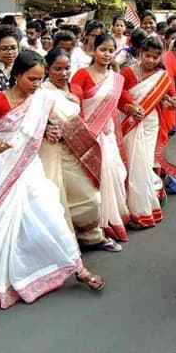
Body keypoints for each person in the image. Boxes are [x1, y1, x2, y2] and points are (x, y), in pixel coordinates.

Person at [0, 51, 105, 310]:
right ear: (17, 75)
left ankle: (79, 269)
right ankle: (4, 271)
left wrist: (49, 131)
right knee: (8, 224)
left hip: (29, 167)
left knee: (51, 215)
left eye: (40, 79)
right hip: (0, 168)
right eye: (32, 79)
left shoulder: (42, 99)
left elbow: (48, 124)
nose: (36, 84)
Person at [39, 48, 122, 252]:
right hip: (51, 152)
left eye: (67, 68)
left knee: (90, 197)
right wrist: (46, 130)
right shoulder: (41, 92)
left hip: (75, 151)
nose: (63, 73)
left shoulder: (75, 89)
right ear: (47, 69)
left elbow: (81, 119)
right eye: (57, 69)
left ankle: (91, 236)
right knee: (56, 198)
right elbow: (32, 122)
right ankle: (65, 244)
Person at [71, 34, 144, 242]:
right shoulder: (81, 75)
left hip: (107, 134)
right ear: (94, 50)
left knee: (114, 173)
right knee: (92, 177)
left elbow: (120, 101)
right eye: (103, 49)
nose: (107, 54)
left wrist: (132, 108)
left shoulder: (116, 78)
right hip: (88, 134)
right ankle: (94, 224)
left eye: (111, 51)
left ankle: (112, 219)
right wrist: (84, 131)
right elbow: (74, 102)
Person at [121, 38, 176, 227]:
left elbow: (172, 95)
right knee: (129, 164)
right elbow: (120, 94)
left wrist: (174, 101)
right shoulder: (128, 71)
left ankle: (143, 211)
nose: (151, 60)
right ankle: (140, 200)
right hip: (129, 119)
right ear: (141, 53)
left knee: (142, 163)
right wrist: (131, 106)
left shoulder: (162, 76)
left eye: (155, 57)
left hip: (149, 122)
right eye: (148, 55)